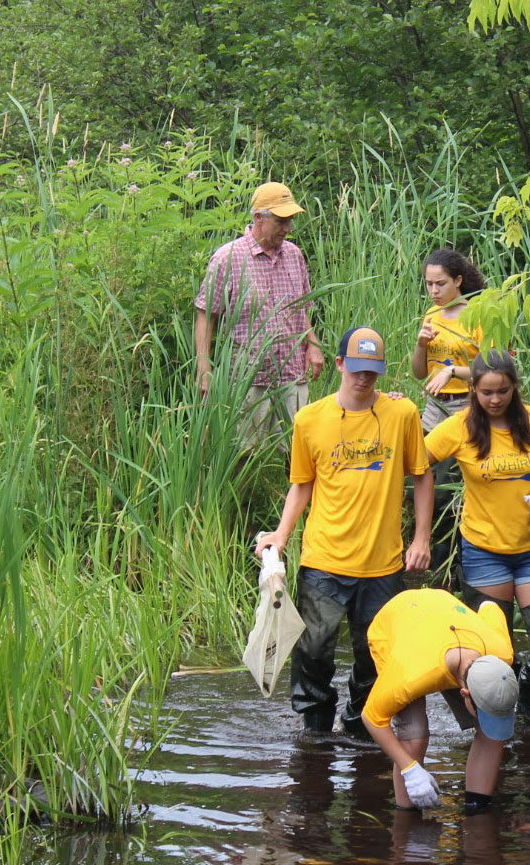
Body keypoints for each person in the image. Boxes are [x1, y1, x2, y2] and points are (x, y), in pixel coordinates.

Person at [255, 326, 433, 741]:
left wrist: (421, 538)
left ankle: (359, 724)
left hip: (383, 562)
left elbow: (421, 477)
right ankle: (316, 730)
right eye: (355, 369)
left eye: (371, 371)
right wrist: (282, 535)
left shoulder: (401, 414)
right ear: (338, 364)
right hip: (324, 559)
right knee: (313, 649)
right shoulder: (310, 419)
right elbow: (302, 483)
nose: (363, 379)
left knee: (375, 654)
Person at [424, 350, 530, 712]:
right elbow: (414, 463)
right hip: (483, 551)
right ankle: (499, 725)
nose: (494, 400)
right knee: (493, 655)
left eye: (502, 391)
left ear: (514, 388)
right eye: (486, 392)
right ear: (473, 389)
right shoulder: (459, 427)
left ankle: (527, 689)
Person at [361, 588, 518, 814]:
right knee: (414, 737)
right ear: (464, 693)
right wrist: (410, 769)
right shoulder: (411, 675)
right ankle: (407, 815)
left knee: (491, 731)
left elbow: (489, 607)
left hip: (445, 611)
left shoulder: (501, 651)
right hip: (397, 620)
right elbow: (372, 718)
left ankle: (477, 809)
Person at [194, 181, 324, 448]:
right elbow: (206, 315)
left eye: (290, 220)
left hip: (292, 372)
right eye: (281, 220)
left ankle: (292, 492)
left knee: (300, 451)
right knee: (244, 452)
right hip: (249, 378)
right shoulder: (227, 258)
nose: (288, 228)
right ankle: (243, 492)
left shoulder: (294, 255)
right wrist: (204, 368)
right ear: (258, 218)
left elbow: (300, 309)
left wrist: (312, 345)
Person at [409, 248, 485, 575]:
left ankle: (455, 566)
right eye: (429, 284)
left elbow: (494, 369)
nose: (434, 291)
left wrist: (453, 371)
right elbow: (418, 371)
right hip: (433, 408)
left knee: (451, 491)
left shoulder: (477, 316)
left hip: (466, 405)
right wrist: (421, 345)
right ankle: (430, 558)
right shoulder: (431, 317)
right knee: (420, 480)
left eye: (440, 284)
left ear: (458, 281)